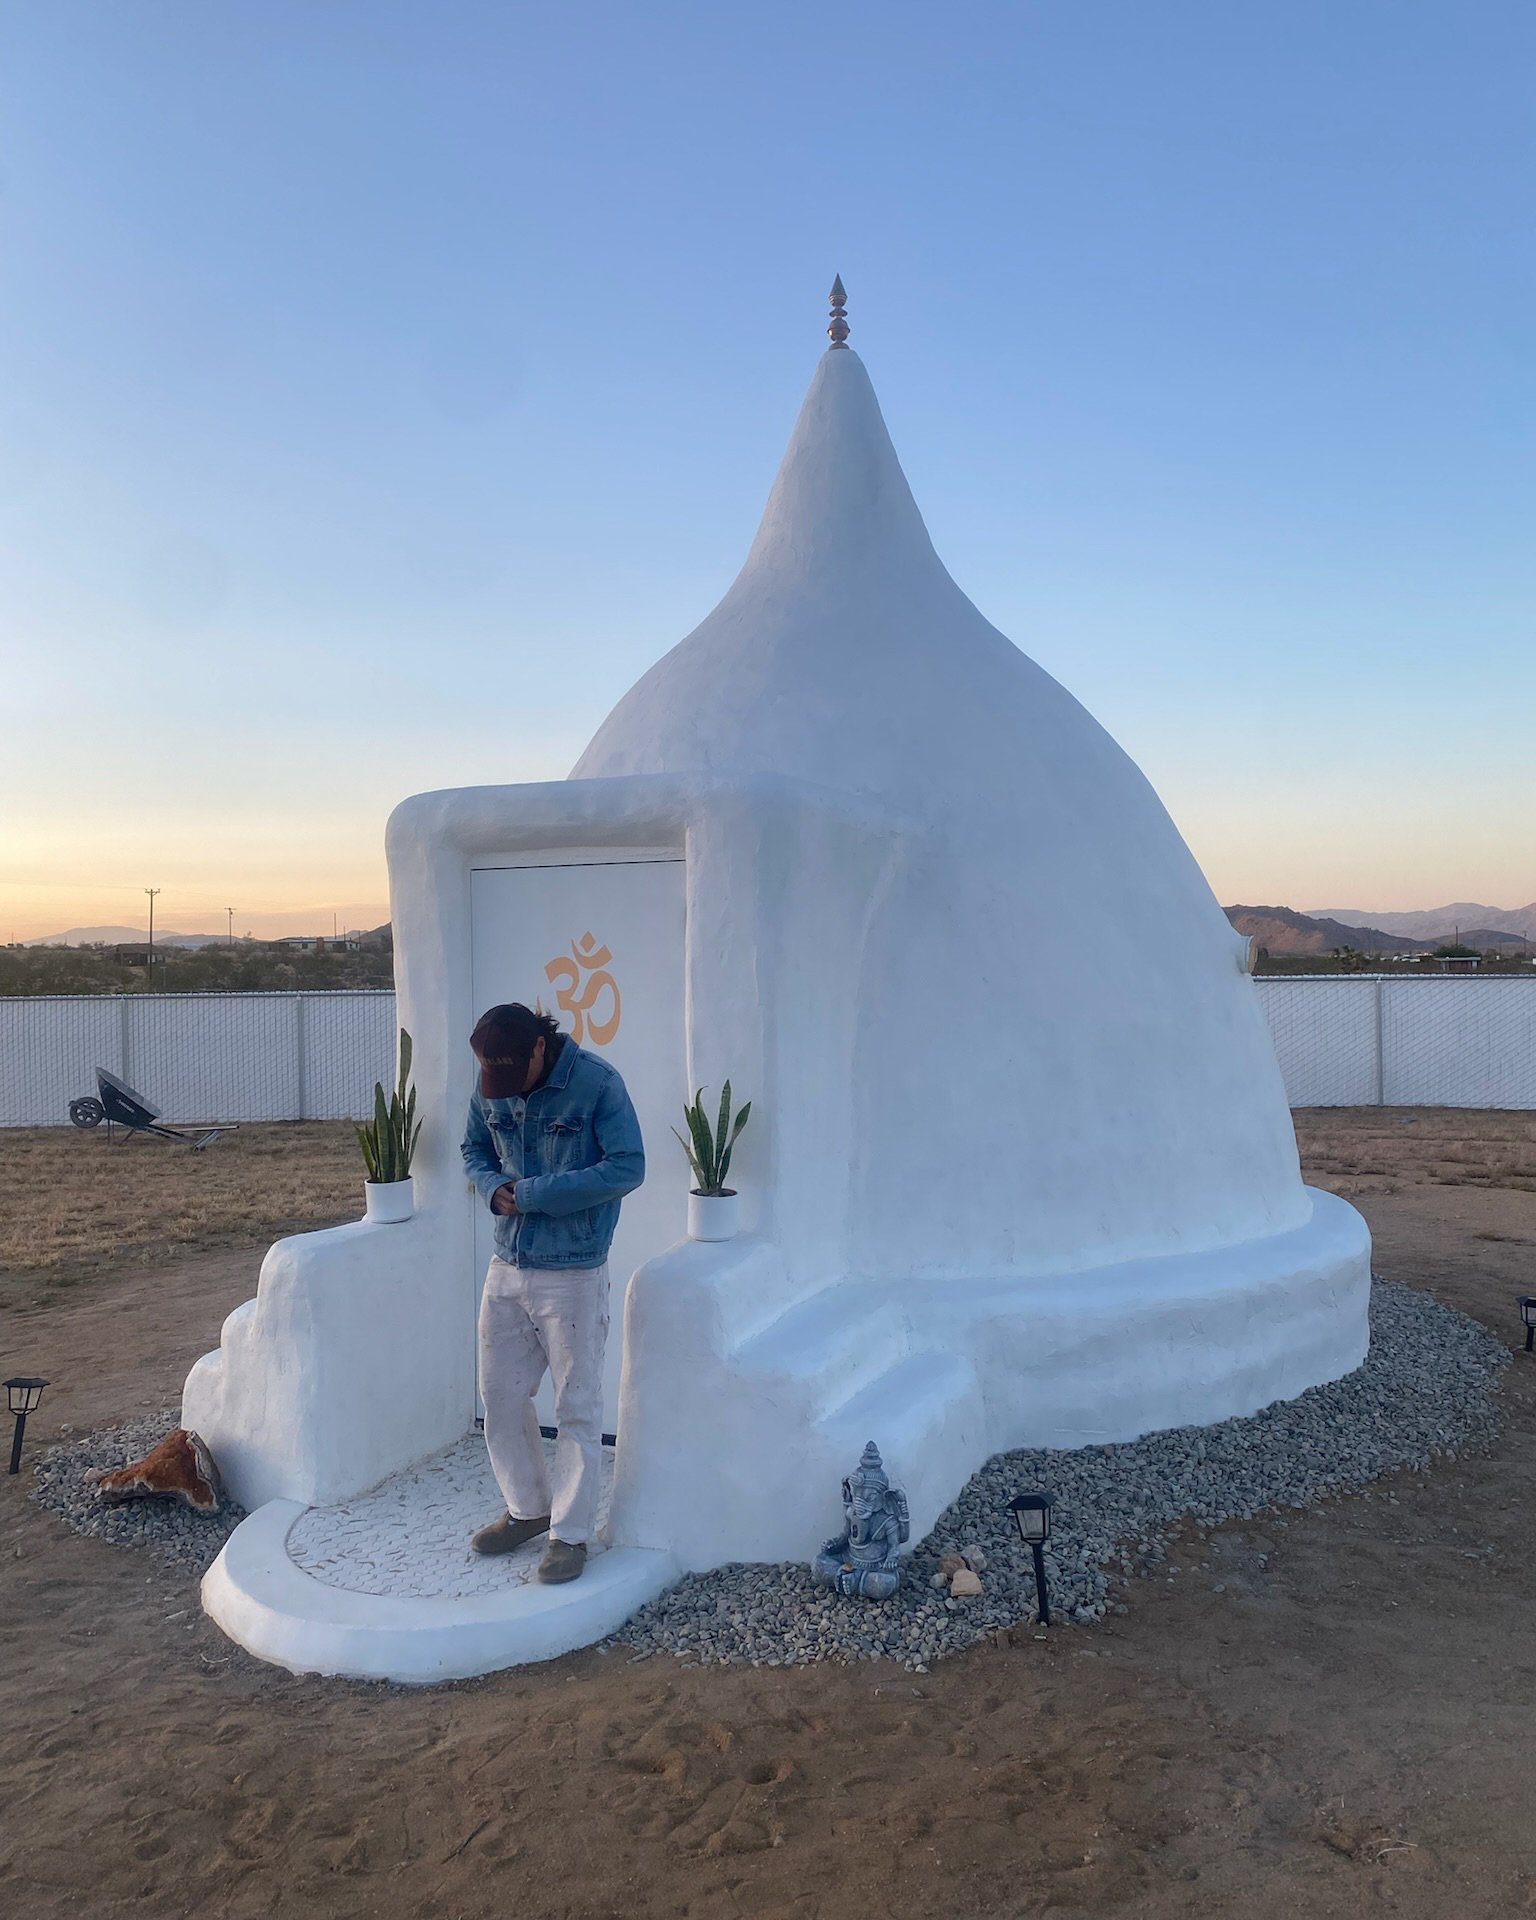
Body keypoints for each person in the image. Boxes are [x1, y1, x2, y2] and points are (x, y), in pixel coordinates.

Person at [460, 1002, 644, 1584]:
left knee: (576, 1408)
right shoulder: (494, 1078)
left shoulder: (598, 1084)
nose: (504, 1088)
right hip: (507, 1262)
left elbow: (627, 1167)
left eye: (515, 1069)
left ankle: (570, 1534)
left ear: (541, 1046)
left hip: (573, 1271)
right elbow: (474, 1150)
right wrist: (493, 1189)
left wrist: (536, 1193)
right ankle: (528, 1510)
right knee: (501, 1396)